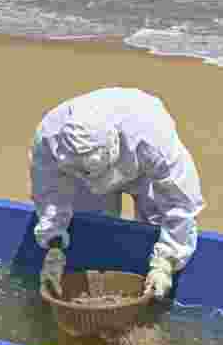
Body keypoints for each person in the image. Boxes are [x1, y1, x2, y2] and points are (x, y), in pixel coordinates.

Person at [30, 88, 205, 300]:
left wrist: (167, 261)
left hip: (142, 170)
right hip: (81, 177)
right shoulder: (49, 138)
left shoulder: (152, 135)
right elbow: (50, 197)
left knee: (155, 224)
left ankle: (156, 284)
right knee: (93, 230)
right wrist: (53, 249)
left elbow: (180, 202)